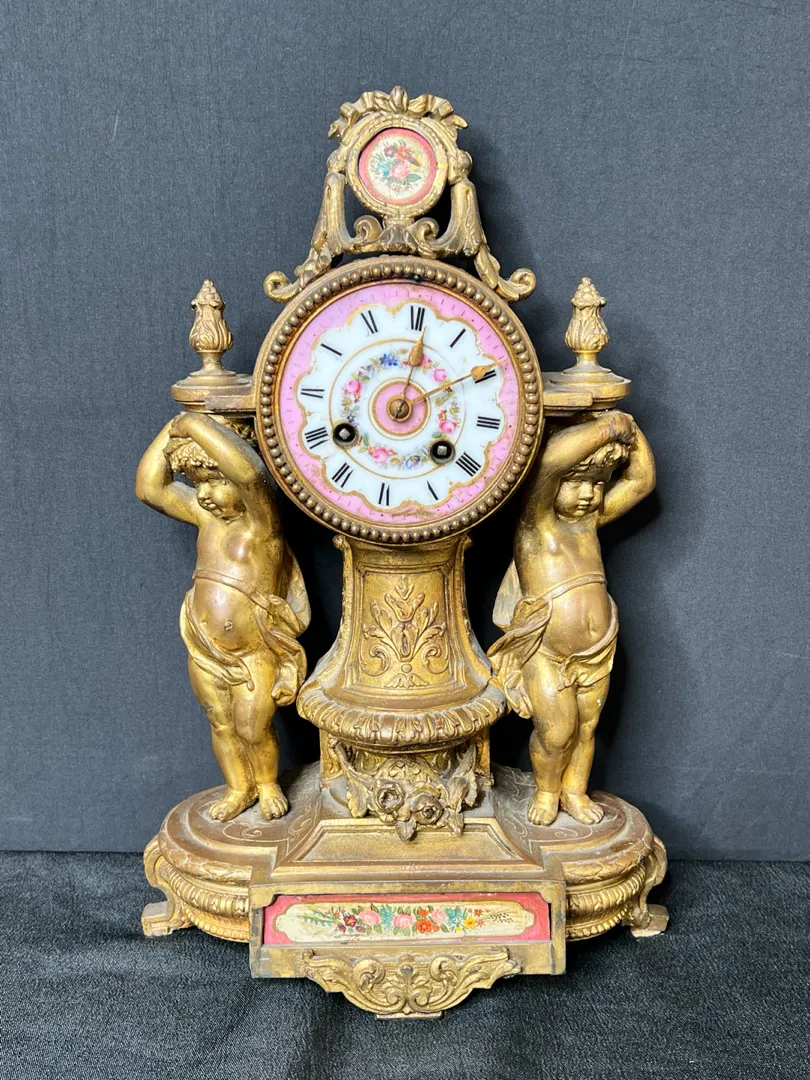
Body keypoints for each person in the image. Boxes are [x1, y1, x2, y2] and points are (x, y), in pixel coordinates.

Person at [135, 412, 309, 821]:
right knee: (221, 724)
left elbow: (250, 475)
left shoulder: (262, 525)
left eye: (215, 481)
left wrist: (195, 426)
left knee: (253, 726)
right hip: (203, 645)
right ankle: (239, 788)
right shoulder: (206, 518)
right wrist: (174, 424)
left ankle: (266, 784)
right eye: (198, 484)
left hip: (253, 653)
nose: (206, 495)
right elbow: (149, 488)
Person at [488, 410, 655, 826]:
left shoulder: (590, 523)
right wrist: (606, 429)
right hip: (547, 651)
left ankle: (575, 791)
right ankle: (547, 791)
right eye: (576, 483)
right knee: (556, 731)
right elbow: (548, 462)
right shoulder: (537, 525)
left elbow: (641, 482)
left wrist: (630, 430)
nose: (587, 495)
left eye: (597, 484)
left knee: (585, 728)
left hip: (598, 648)